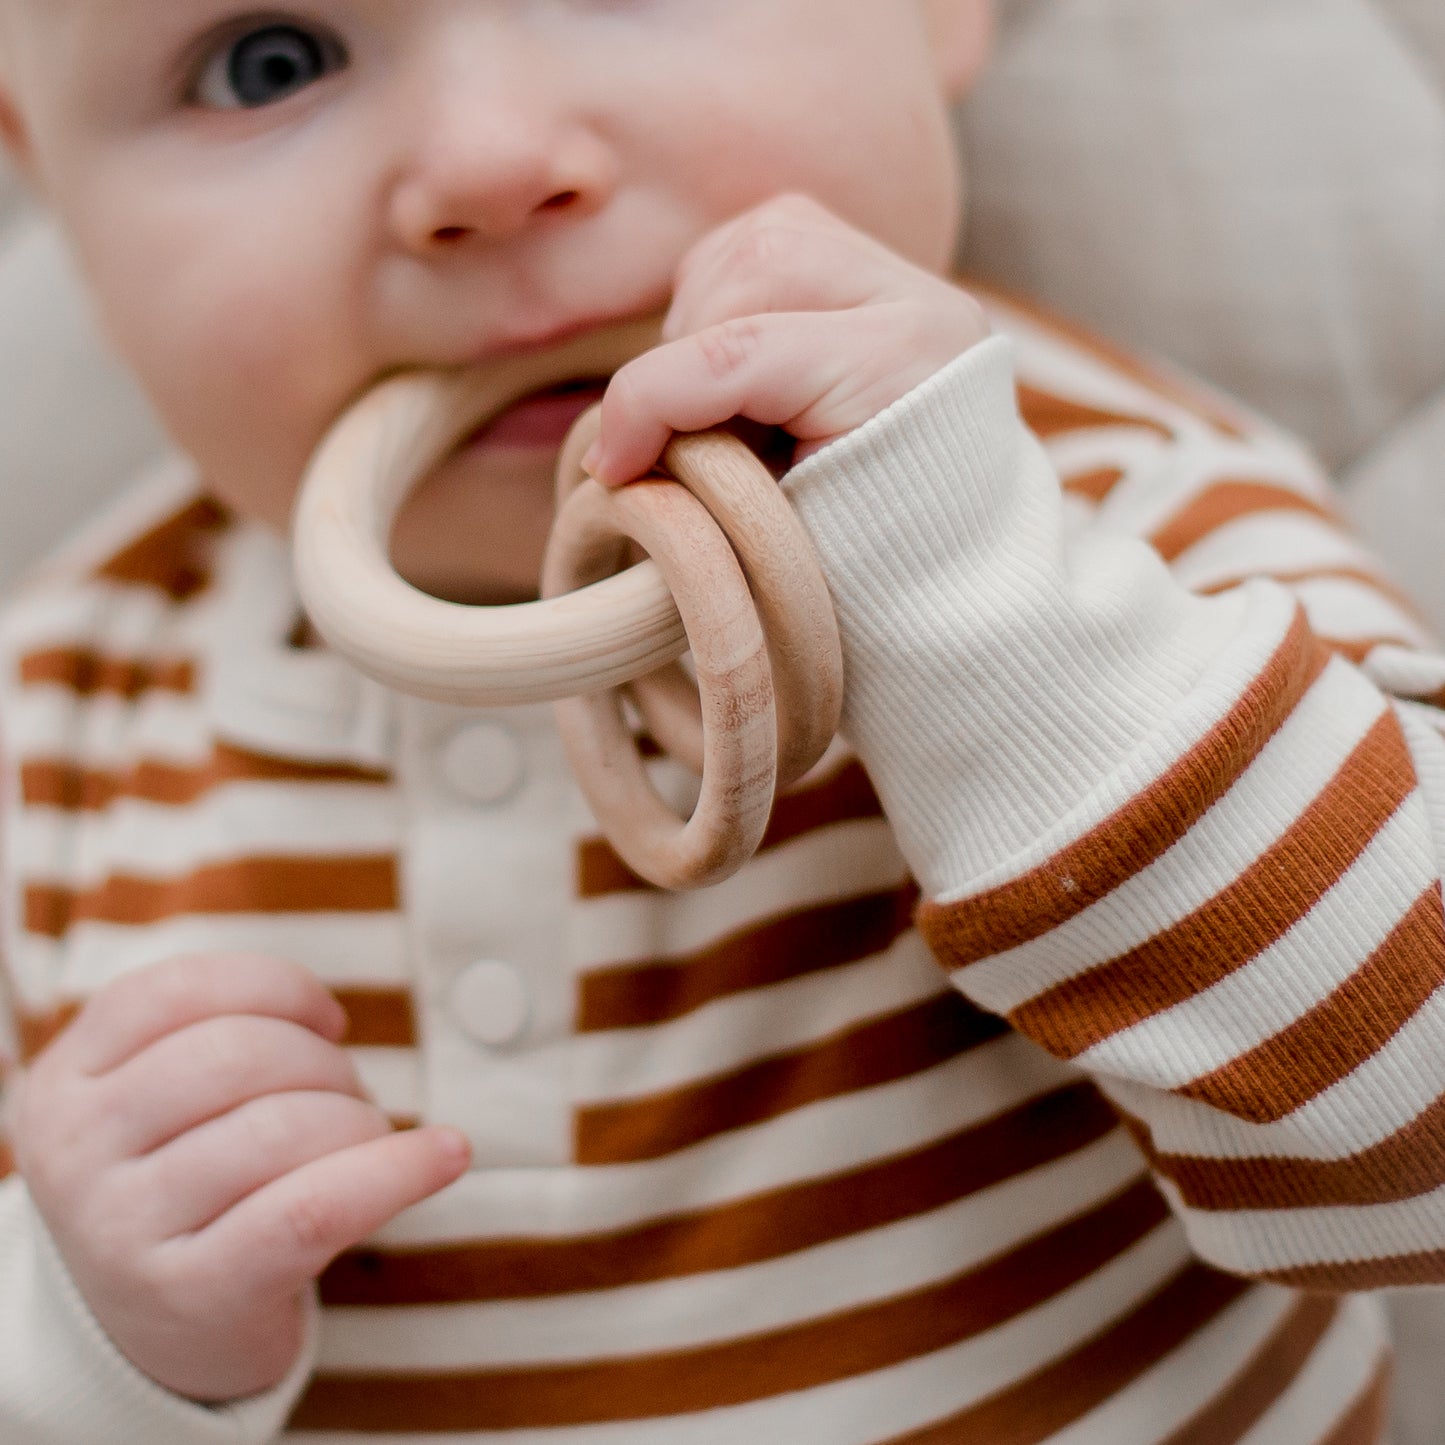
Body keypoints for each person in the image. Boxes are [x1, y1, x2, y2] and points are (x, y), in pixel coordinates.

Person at [0, 0, 1440, 1439]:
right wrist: (85, 1342)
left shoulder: (1117, 536)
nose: (490, 166)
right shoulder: (54, 717)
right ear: (44, 173)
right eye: (269, 62)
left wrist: (990, 626)